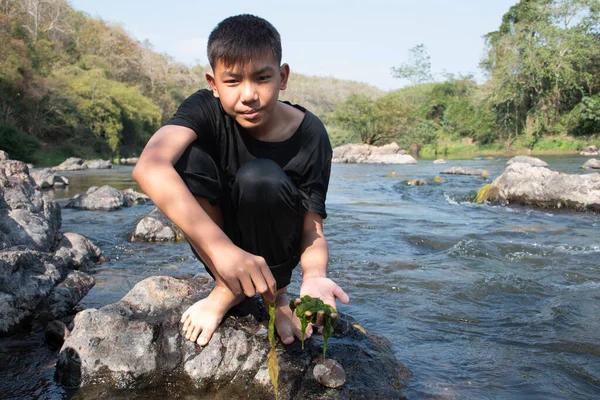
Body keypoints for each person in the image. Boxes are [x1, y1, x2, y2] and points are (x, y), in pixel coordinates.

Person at [132, 14, 349, 347]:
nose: (249, 95)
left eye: (262, 78)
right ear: (214, 84)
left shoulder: (310, 135)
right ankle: (226, 287)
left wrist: (315, 276)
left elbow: (311, 229)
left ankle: (275, 295)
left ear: (283, 76)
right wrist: (222, 251)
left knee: (260, 177)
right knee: (186, 156)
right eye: (232, 81)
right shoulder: (204, 109)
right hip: (221, 247)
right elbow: (150, 166)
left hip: (276, 239)